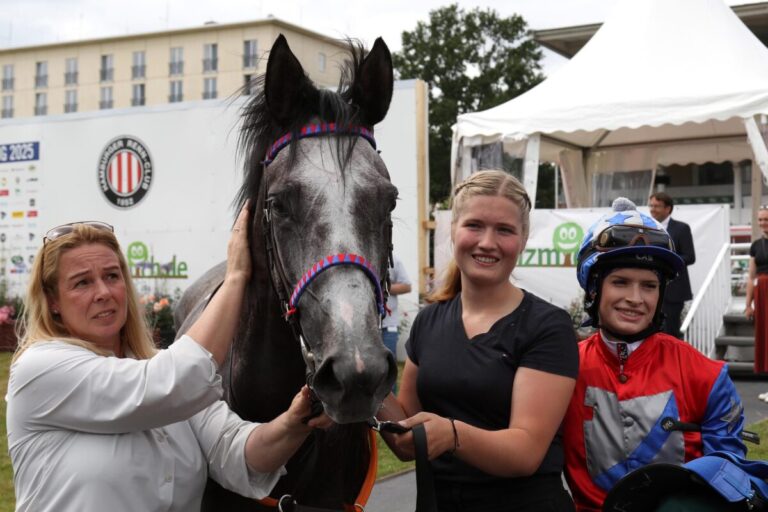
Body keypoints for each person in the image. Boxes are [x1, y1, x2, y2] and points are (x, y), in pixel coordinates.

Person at [6, 206, 331, 511]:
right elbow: (173, 382)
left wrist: (295, 422)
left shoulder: (160, 370)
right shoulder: (39, 369)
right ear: (53, 302)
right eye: (82, 282)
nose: (103, 292)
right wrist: (235, 277)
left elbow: (237, 453)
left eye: (112, 276)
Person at [377, 170, 579, 512]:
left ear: (523, 239)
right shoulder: (429, 321)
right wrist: (367, 377)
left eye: (504, 230)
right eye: (474, 226)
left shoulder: (547, 327)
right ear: (453, 231)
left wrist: (452, 434)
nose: (487, 242)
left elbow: (525, 452)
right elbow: (406, 438)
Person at [562, 197, 746, 512]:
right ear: (594, 288)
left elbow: (728, 486)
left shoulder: (708, 376)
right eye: (620, 282)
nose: (635, 298)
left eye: (649, 286)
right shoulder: (562, 369)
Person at [648, 191, 696, 337]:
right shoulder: (647, 228)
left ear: (668, 208)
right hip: (651, 289)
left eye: (657, 206)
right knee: (652, 332)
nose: (652, 209)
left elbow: (690, 257)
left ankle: (674, 360)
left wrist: (666, 259)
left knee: (671, 332)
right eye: (651, 206)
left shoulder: (681, 228)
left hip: (674, 291)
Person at [746, 206, 768, 381]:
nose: (763, 223)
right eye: (760, 219)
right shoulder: (755, 245)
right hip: (761, 292)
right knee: (764, 335)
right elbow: (751, 276)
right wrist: (748, 305)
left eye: (766, 219)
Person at [381, 254, 412, 360]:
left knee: (388, 363)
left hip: (389, 325)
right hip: (366, 326)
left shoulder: (394, 260)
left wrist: (383, 287)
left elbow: (407, 286)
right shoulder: (364, 258)